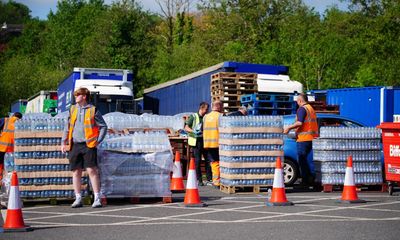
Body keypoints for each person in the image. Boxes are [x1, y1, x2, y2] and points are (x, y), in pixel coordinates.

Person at [61, 88, 108, 208]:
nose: (75, 97)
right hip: (74, 145)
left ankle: (97, 198)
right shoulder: (72, 109)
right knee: (76, 172)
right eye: (75, 95)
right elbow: (67, 127)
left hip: (89, 145)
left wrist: (98, 140)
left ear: (84, 96)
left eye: (78, 95)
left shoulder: (93, 110)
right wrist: (63, 142)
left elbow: (103, 126)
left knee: (92, 171)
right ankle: (78, 198)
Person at [283, 93, 318, 186]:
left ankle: (306, 181)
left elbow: (299, 123)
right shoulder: (310, 108)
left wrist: (288, 128)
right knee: (306, 160)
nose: (297, 103)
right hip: (311, 138)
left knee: (301, 160)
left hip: (304, 138)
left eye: (297, 101)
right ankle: (310, 178)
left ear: (300, 100)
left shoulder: (302, 109)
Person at [185, 102, 212, 186]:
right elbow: (186, 127)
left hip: (205, 140)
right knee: (198, 160)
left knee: (208, 160)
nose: (207, 111)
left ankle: (209, 179)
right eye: (206, 109)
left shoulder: (206, 117)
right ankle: (199, 179)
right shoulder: (193, 116)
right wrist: (193, 131)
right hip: (196, 141)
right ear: (202, 108)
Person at [203, 100, 223, 187]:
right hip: (218, 143)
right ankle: (217, 181)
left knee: (213, 162)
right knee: (219, 163)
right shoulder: (220, 116)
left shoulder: (205, 117)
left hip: (208, 143)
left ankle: (215, 180)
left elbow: (201, 129)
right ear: (219, 107)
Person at [0, 112, 22, 180]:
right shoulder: (21, 123)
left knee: (1, 164)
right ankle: (8, 180)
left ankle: (0, 179)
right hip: (13, 149)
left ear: (13, 115)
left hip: (2, 147)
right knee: (10, 166)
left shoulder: (5, 120)